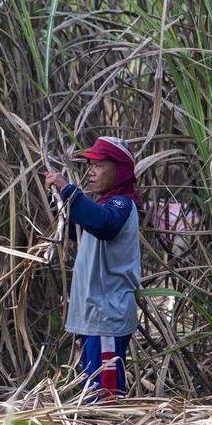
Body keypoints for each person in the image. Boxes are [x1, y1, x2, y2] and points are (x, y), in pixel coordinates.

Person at [45, 136, 141, 402]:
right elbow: (81, 229)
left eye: (99, 164)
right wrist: (58, 200)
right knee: (93, 390)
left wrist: (68, 190)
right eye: (90, 164)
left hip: (107, 318)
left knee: (105, 397)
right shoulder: (102, 206)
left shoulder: (121, 205)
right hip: (95, 317)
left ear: (119, 170)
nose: (91, 171)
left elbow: (102, 224)